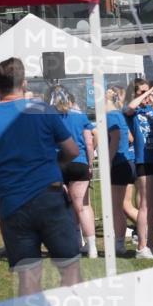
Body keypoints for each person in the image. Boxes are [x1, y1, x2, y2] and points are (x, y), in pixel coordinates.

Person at [0, 57, 81, 296]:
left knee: (27, 277)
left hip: (12, 204)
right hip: (49, 196)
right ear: (24, 83)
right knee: (70, 269)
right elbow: (72, 151)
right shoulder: (42, 110)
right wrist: (54, 166)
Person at [47, 87, 98, 259]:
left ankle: (76, 243)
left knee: (66, 206)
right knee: (83, 206)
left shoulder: (50, 117)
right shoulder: (81, 116)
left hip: (58, 163)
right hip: (79, 162)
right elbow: (89, 143)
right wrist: (90, 164)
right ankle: (91, 247)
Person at [125, 79, 153, 257]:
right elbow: (129, 108)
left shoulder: (152, 110)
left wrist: (152, 98)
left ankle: (150, 243)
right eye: (141, 92)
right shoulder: (134, 112)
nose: (146, 95)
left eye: (147, 91)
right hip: (143, 159)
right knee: (145, 205)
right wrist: (146, 95)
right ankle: (141, 246)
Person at [106, 86, 138, 257]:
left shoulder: (111, 115)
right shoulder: (119, 115)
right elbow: (130, 138)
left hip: (119, 164)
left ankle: (119, 244)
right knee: (126, 206)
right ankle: (150, 232)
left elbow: (116, 136)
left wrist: (108, 162)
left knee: (116, 207)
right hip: (127, 162)